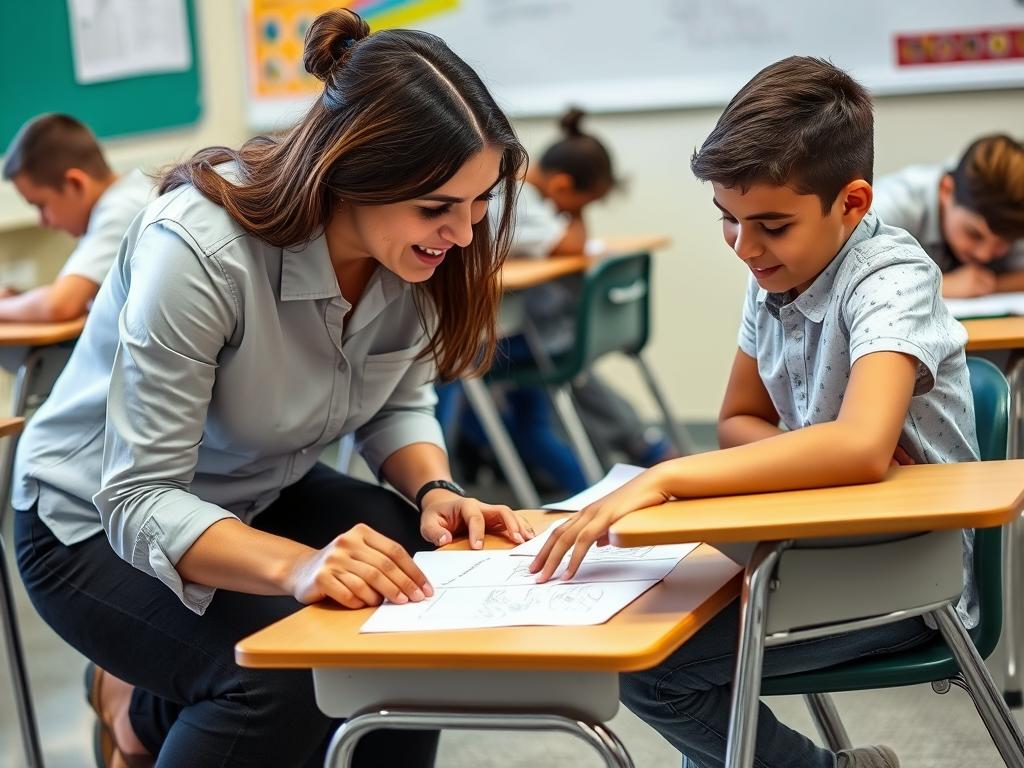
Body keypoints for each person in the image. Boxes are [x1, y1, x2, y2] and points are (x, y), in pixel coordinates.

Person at [13, 9, 531, 768]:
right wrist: (300, 568)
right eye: (437, 208)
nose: (463, 234)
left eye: (480, 202)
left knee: (417, 602)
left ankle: (145, 706)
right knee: (281, 674)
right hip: (93, 523)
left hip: (253, 485)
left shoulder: (421, 254)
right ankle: (140, 716)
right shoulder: (199, 249)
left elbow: (396, 400)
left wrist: (436, 490)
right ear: (351, 174)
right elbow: (137, 499)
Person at [530, 56, 978, 768]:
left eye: (770, 223)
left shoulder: (892, 277)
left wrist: (668, 478)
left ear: (852, 204)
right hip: (810, 548)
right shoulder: (773, 268)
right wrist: (817, 448)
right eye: (728, 222)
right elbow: (739, 417)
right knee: (639, 620)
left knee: (655, 669)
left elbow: (860, 450)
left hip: (909, 574)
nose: (744, 246)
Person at [440, 109, 671, 495]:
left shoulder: (524, 197)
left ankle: (612, 471)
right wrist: (573, 212)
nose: (579, 214)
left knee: (539, 415)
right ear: (563, 186)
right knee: (543, 398)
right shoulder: (521, 199)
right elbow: (573, 244)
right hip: (490, 339)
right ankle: (628, 458)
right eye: (583, 204)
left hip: (504, 335)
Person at [1, 114, 152, 321]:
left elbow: (59, 305)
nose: (42, 221)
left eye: (41, 206)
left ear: (75, 184)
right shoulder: (132, 191)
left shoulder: (120, 210)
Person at [872, 133, 1024, 298]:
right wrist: (943, 285)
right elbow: (849, 279)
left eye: (1003, 243)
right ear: (946, 190)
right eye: (974, 234)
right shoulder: (889, 209)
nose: (984, 255)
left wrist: (988, 284)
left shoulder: (1013, 211)